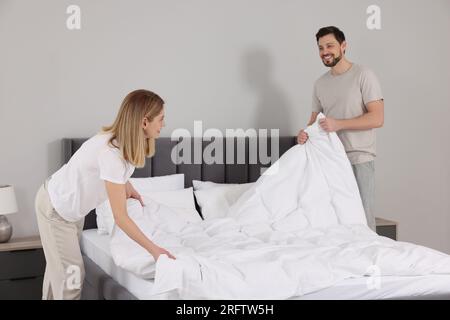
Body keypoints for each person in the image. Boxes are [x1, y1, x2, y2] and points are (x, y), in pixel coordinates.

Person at [35, 89, 175, 300]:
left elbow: (112, 174)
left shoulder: (119, 143)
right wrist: (155, 250)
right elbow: (121, 218)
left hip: (70, 210)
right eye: (161, 119)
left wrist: (128, 186)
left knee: (59, 275)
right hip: (56, 210)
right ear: (144, 122)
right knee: (71, 278)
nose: (163, 124)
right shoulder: (111, 154)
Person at [297, 26, 384, 231]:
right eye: (320, 47)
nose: (324, 51)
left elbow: (377, 117)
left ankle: (369, 262)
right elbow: (312, 122)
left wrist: (339, 124)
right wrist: (303, 134)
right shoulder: (320, 84)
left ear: (343, 46)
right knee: (334, 225)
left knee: (362, 224)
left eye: (330, 45)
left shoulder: (364, 75)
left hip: (358, 160)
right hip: (328, 162)